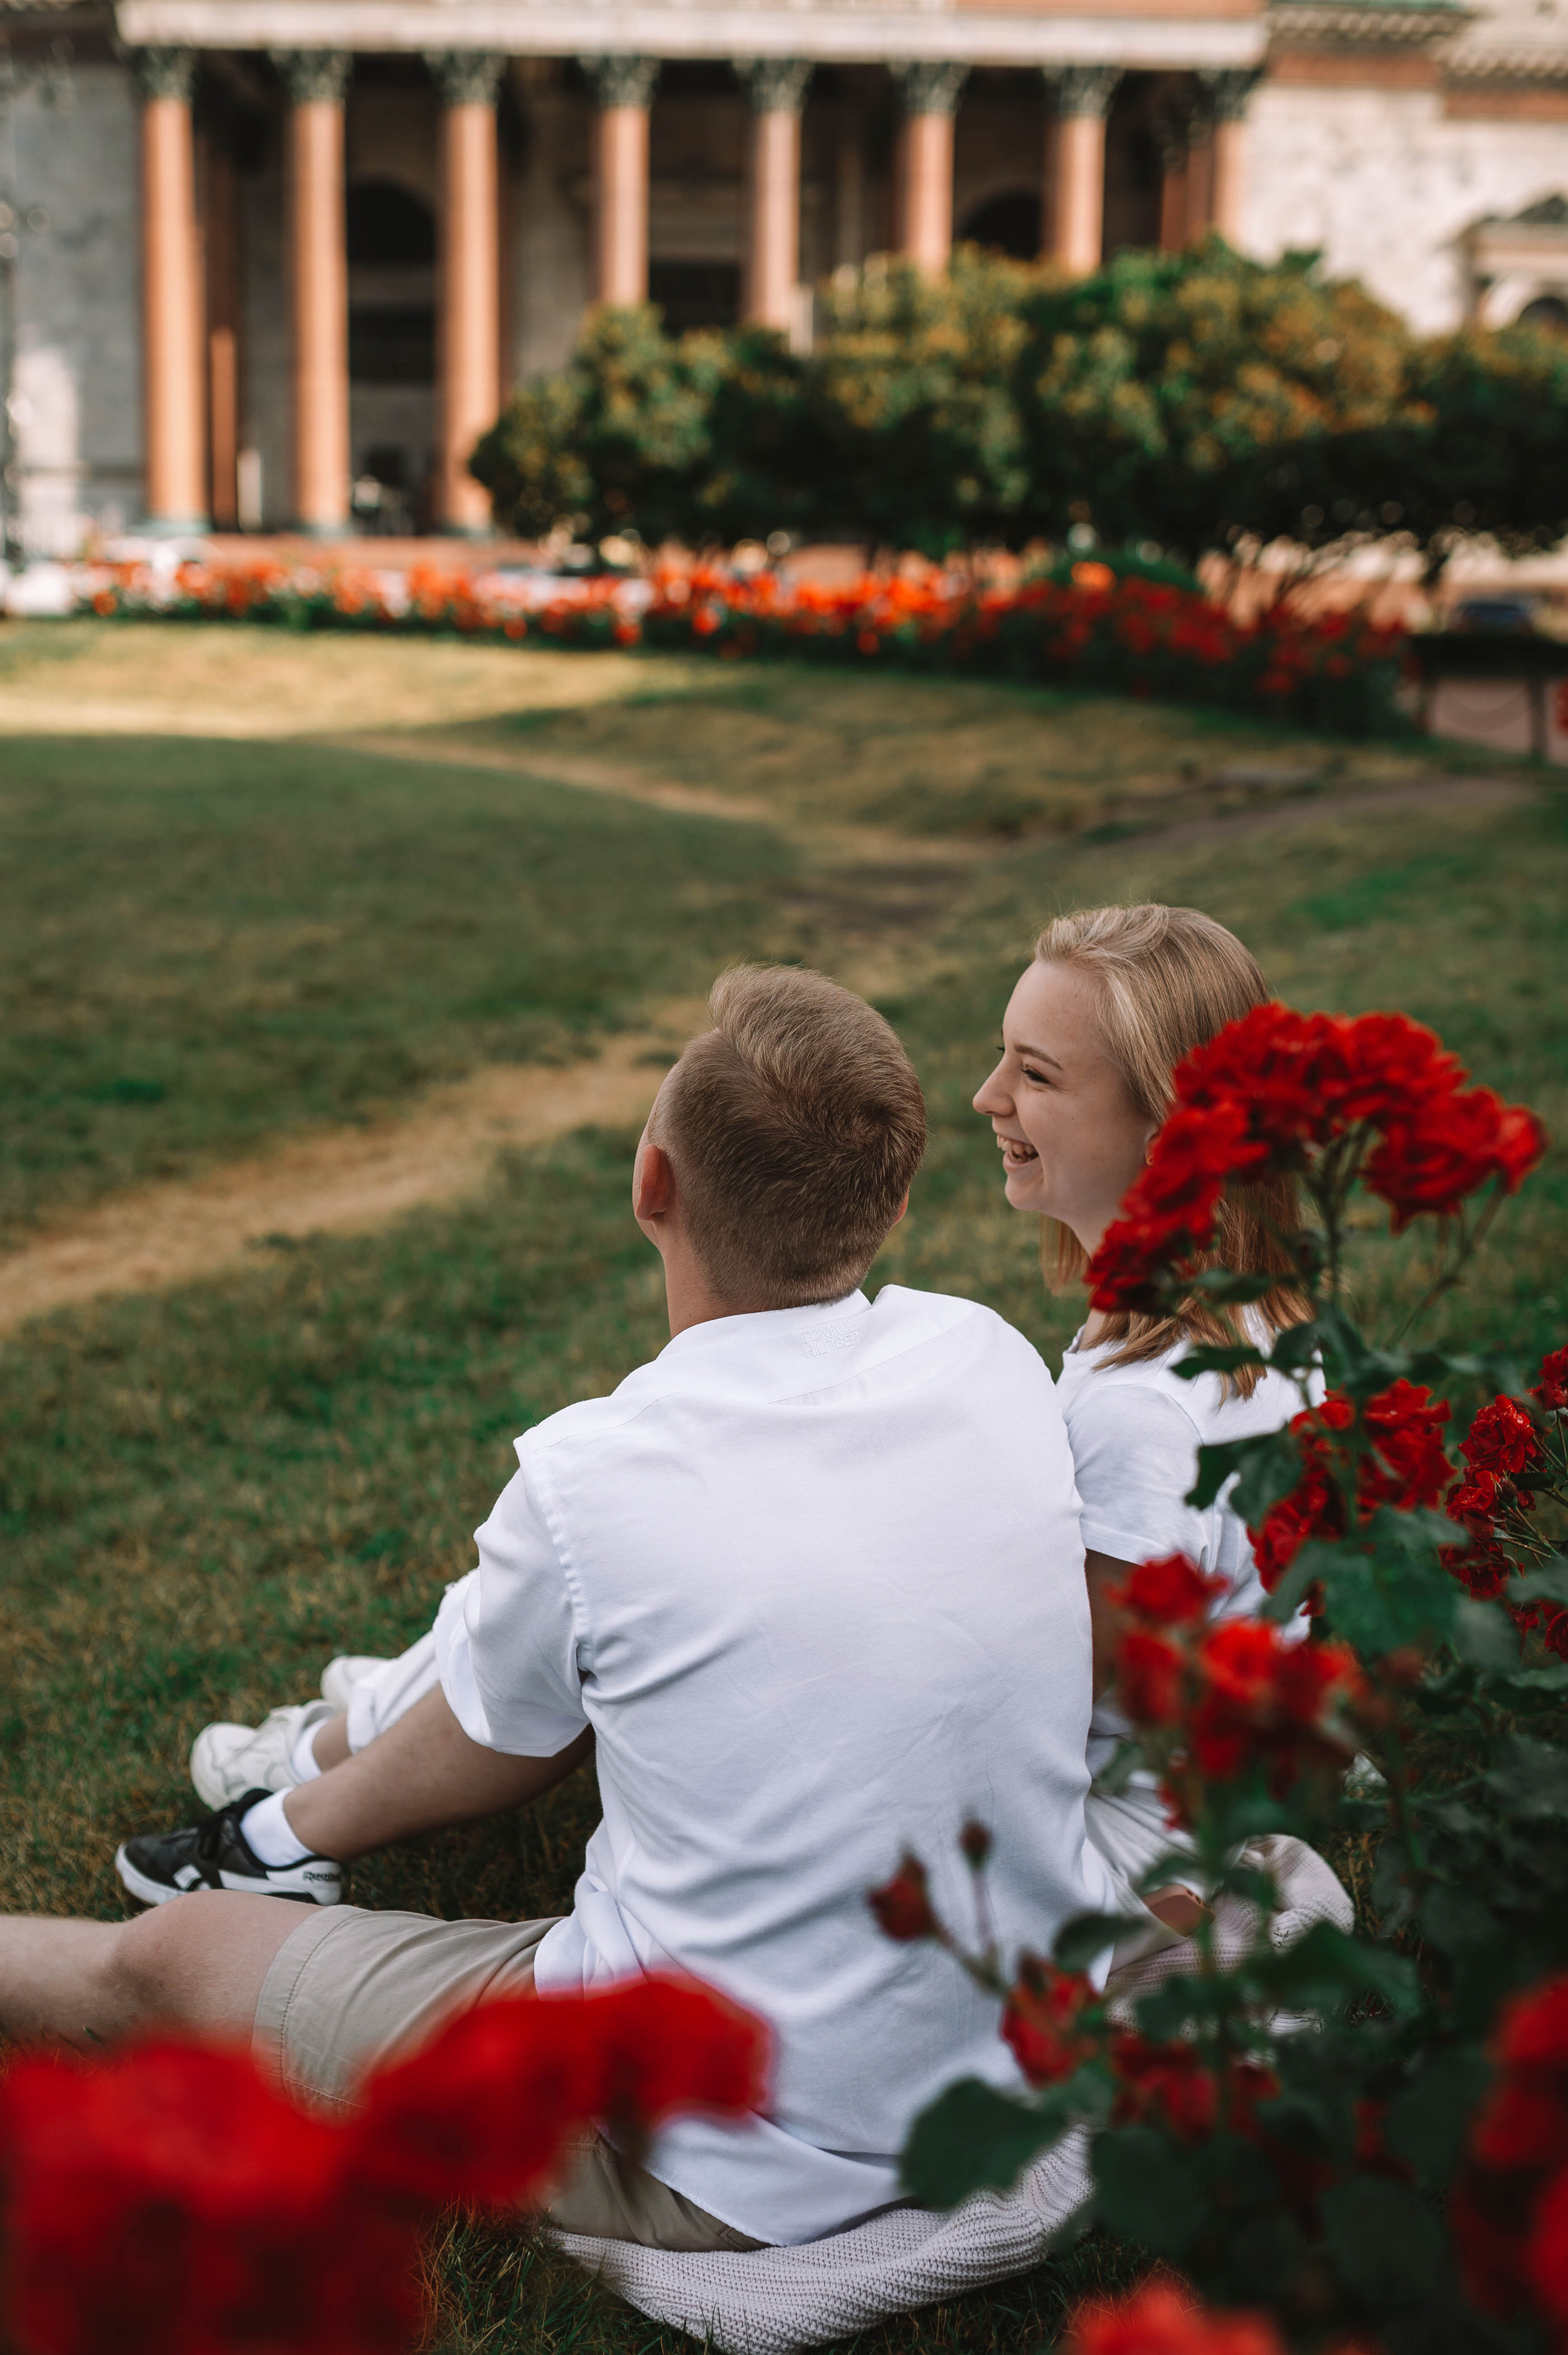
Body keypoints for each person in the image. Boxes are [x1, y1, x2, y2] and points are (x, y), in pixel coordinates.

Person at [0, 965, 1111, 2257]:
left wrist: (307, 1813)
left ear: (652, 1188)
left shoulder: (593, 1479)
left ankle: (268, 1838)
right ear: (895, 1201)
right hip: (1011, 2061)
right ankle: (289, 1813)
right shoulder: (981, 1353)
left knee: (170, 1961)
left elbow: (488, 1750)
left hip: (738, 2151)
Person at [973, 902, 1316, 1945]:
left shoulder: (1139, 1412)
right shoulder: (1260, 1313)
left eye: (1035, 1076)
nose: (986, 1096)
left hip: (1125, 1851)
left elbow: (1057, 1716)